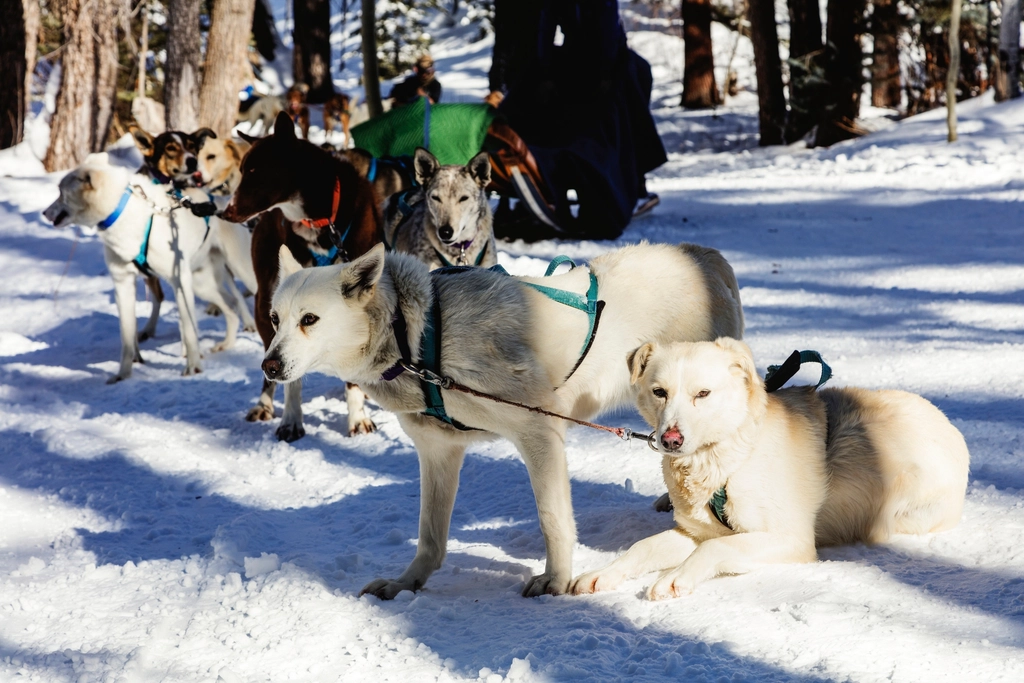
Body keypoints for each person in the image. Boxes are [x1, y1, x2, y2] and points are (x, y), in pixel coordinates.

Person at [487, 0, 666, 240]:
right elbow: (548, 25)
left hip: (606, 62)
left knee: (620, 113)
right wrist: (547, 70)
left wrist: (603, 72)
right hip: (579, 59)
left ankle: (629, 185)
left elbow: (605, 25)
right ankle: (536, 175)